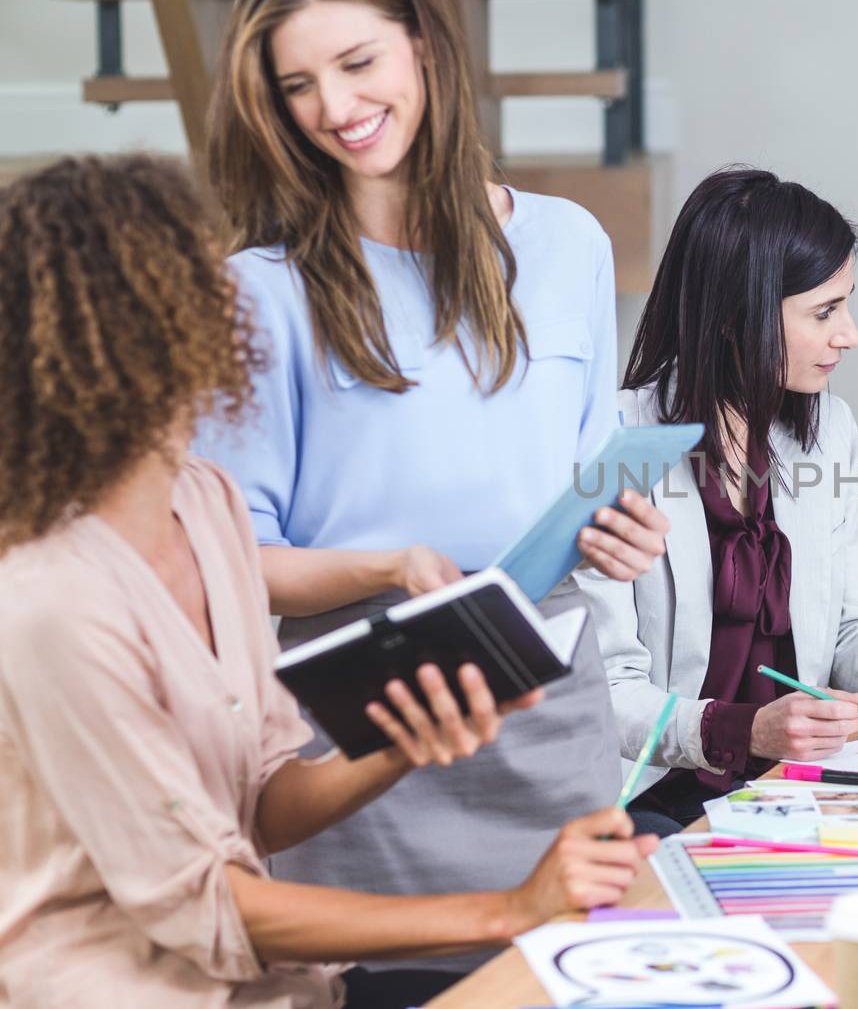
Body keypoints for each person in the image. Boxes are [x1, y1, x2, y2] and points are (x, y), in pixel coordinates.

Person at [0, 155, 656, 1009]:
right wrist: (509, 909)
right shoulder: (50, 597)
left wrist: (407, 736)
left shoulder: (204, 503)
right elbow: (204, 903)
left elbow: (267, 796)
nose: (227, 304)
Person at [194, 0, 668, 983]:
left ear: (424, 44)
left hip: (552, 702)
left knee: (572, 979)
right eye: (299, 84)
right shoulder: (255, 292)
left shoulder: (568, 243)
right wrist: (387, 565)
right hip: (363, 726)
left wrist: (622, 527)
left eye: (359, 62)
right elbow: (228, 557)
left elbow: (587, 477)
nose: (337, 105)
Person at [576, 168, 858, 834]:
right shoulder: (615, 448)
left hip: (795, 785)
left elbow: (854, 623)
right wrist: (743, 729)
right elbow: (606, 691)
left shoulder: (829, 429)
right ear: (735, 318)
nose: (850, 333)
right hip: (652, 800)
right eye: (824, 311)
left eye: (846, 303)